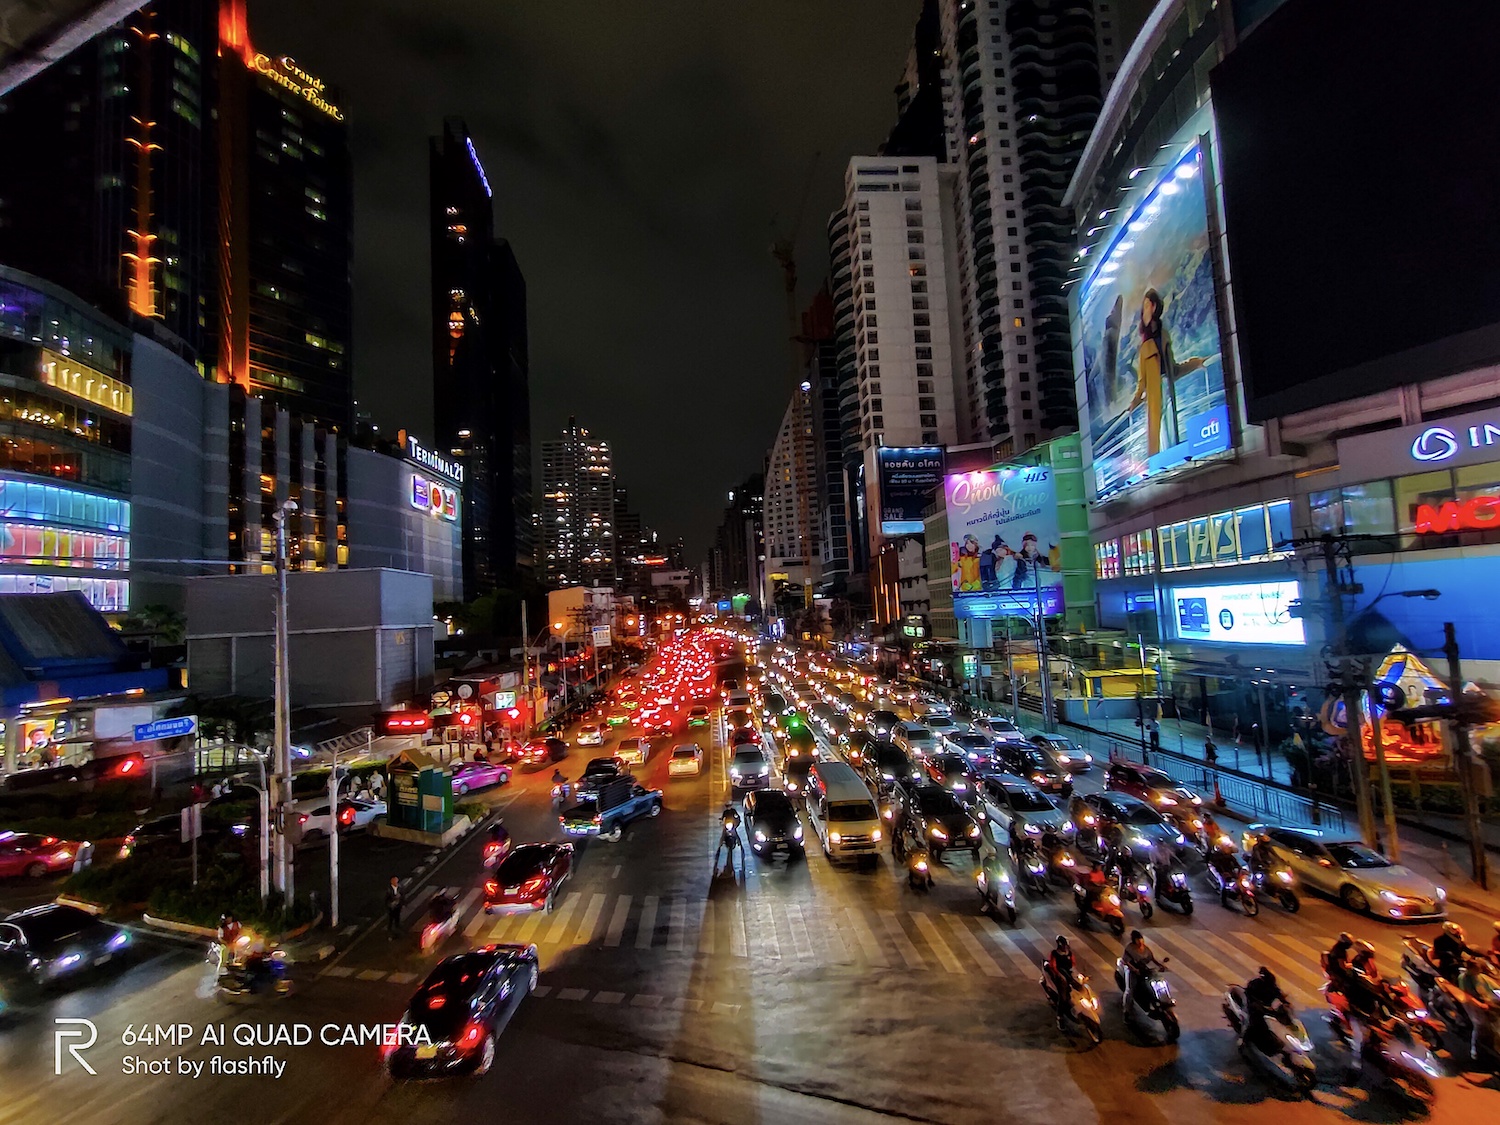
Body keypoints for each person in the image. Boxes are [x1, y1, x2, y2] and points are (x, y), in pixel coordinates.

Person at [1242, 967, 1290, 1055]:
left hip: (1268, 1008)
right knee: (1256, 1026)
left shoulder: (1271, 986)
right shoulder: (1254, 988)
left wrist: (1284, 1003)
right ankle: (1244, 1043)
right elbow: (1253, 1003)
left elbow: (1278, 994)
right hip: (1257, 1009)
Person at [1121, 929, 1166, 1009]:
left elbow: (1152, 958)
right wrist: (1135, 970)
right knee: (1130, 990)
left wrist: (1160, 965)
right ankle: (1126, 1010)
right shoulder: (1130, 948)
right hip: (1131, 970)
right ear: (1134, 940)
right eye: (1138, 940)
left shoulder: (1145, 948)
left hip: (1143, 969)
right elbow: (1126, 961)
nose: (1140, 942)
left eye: (1141, 940)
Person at [1045, 935, 1080, 1029]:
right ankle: (1059, 1018)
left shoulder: (1069, 954)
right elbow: (1054, 967)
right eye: (1063, 946)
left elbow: (1073, 965)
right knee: (1063, 998)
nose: (1065, 947)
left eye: (1066, 946)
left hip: (1069, 976)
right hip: (1059, 977)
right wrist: (1060, 976)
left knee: (1081, 988)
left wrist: (1077, 974)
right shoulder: (1054, 954)